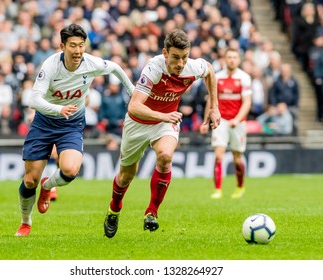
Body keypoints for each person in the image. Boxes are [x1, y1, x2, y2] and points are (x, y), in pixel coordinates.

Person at [15, 24, 134, 236]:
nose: (78, 50)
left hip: (71, 123)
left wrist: (132, 90)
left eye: (81, 45)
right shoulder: (51, 65)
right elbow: (34, 99)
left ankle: (48, 185)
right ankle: (26, 221)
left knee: (70, 170)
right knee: (29, 180)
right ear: (62, 46)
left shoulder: (91, 63)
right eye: (73, 46)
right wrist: (58, 109)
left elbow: (115, 67)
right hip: (44, 122)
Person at [103, 29, 221, 238]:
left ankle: (152, 212)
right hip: (139, 123)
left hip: (165, 122)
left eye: (184, 57)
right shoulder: (153, 68)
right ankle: (114, 208)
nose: (180, 64)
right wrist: (163, 116)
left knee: (165, 157)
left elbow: (210, 70)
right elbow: (134, 107)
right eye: (175, 57)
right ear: (165, 53)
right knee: (125, 176)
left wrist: (214, 107)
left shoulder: (192, 67)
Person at [200, 47, 252, 199]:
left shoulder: (244, 78)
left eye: (234, 57)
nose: (231, 60)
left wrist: (237, 118)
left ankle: (240, 187)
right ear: (225, 59)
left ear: (239, 60)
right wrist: (205, 121)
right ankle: (218, 190)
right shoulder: (218, 77)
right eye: (229, 57)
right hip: (220, 121)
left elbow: (247, 102)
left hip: (238, 122)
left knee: (237, 159)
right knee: (218, 156)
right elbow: (211, 100)